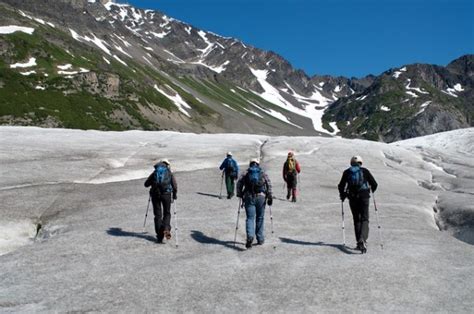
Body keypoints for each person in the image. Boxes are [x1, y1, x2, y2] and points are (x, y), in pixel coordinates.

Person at [338, 156, 377, 253]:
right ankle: (362, 239)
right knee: (364, 218)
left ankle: (359, 243)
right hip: (364, 197)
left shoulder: (347, 172)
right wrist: (371, 190)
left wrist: (343, 195)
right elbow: (375, 184)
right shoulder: (364, 171)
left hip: (352, 197)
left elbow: (341, 185)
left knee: (356, 219)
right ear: (361, 162)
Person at [236, 158, 273, 249]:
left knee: (250, 218)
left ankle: (250, 236)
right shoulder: (262, 172)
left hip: (249, 197)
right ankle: (260, 239)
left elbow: (239, 183)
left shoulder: (246, 173)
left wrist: (240, 194)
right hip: (261, 197)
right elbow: (269, 184)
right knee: (260, 218)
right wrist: (270, 196)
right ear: (257, 164)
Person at [144, 159, 178, 244]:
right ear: (167, 164)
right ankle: (166, 228)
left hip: (155, 195)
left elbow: (146, 184)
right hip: (166, 194)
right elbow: (174, 185)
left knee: (158, 215)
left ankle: (159, 237)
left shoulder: (155, 172)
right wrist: (174, 195)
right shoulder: (169, 172)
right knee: (167, 213)